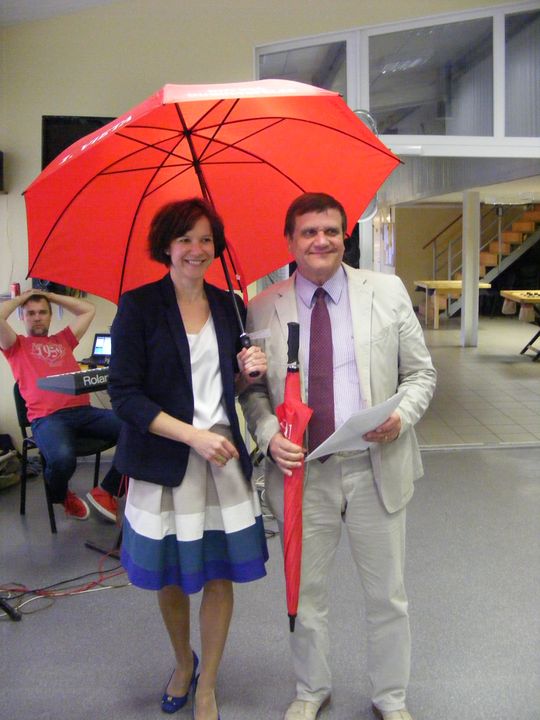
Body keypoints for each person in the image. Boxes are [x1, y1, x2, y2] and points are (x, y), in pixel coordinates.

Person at [239, 192, 436, 720]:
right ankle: (311, 689)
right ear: (290, 241)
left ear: (345, 236)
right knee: (305, 594)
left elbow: (421, 374)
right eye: (308, 232)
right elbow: (253, 392)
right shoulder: (262, 305)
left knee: (388, 595)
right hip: (301, 473)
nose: (321, 240)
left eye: (330, 230)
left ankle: (390, 697)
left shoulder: (386, 292)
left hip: (376, 466)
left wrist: (402, 417)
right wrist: (267, 433)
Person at [107, 197, 269, 720]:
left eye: (205, 239)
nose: (196, 250)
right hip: (166, 460)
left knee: (220, 574)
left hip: (222, 459)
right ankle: (183, 663)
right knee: (172, 576)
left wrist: (248, 372)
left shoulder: (228, 305)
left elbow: (230, 387)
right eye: (185, 239)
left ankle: (208, 685)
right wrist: (192, 436)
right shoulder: (139, 306)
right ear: (166, 246)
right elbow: (124, 395)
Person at [0, 289, 123, 521]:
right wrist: (23, 297)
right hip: (48, 419)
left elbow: (88, 309)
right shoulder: (15, 345)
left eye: (43, 312)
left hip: (84, 413)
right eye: (31, 313)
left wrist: (49, 296)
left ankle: (107, 491)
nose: (37, 317)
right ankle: (61, 495)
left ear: (50, 316)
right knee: (62, 459)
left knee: (138, 428)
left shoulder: (63, 340)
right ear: (23, 317)